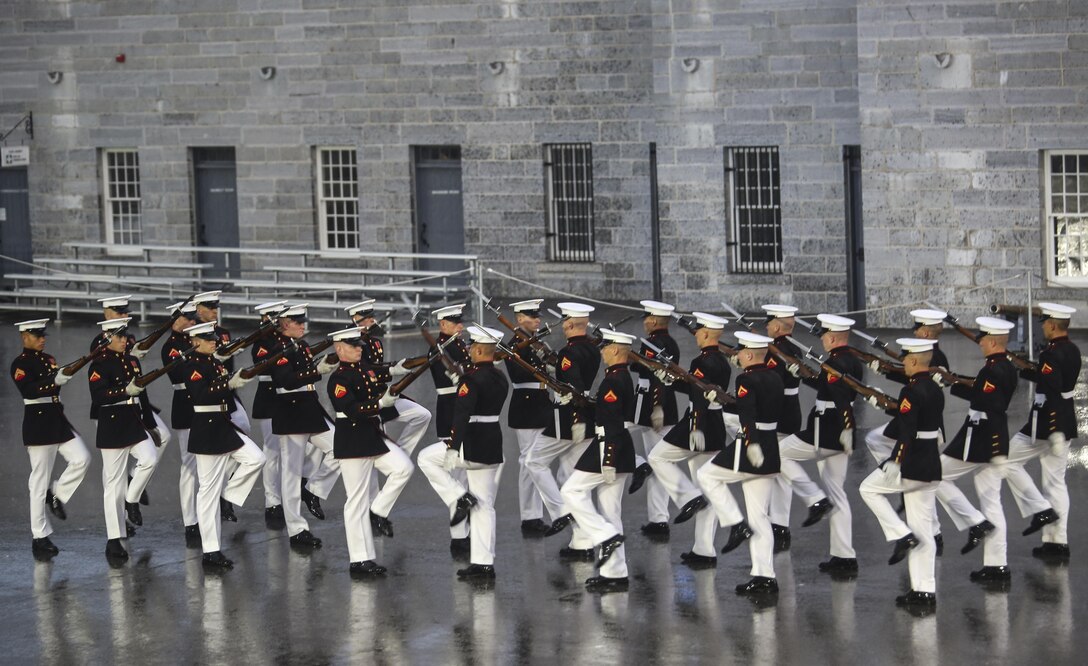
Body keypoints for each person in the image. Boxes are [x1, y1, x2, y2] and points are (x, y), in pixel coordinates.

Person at [418, 325, 510, 581]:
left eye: (471, 346)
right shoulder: (500, 377)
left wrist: (452, 447)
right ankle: (484, 564)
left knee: (425, 458)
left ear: (479, 349)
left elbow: (461, 415)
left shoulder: (471, 380)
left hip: (471, 445)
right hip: (492, 446)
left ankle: (458, 497)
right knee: (485, 506)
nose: (468, 349)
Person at [696, 331, 784, 596]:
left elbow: (747, 414)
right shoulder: (775, 376)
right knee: (760, 515)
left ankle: (735, 523)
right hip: (770, 443)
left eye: (740, 353)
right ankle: (765, 576)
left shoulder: (746, 378)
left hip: (750, 444)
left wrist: (751, 443)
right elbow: (754, 407)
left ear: (747, 355)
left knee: (707, 475)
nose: (737, 357)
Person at [859, 338, 944, 611]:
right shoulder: (934, 388)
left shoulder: (911, 390)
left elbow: (907, 431)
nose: (903, 363)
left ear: (915, 361)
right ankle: (923, 592)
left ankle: (899, 533)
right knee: (924, 531)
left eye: (906, 359)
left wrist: (895, 461)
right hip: (931, 463)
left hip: (912, 463)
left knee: (868, 489)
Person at [327, 326, 415, 577]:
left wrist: (405, 370)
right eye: (353, 345)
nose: (359, 348)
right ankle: (359, 560)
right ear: (339, 348)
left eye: (359, 345)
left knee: (403, 468)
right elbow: (352, 409)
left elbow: (382, 373)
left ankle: (378, 512)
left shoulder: (363, 368)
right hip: (352, 439)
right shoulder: (338, 379)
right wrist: (379, 403)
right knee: (355, 500)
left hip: (372, 435)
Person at [776, 313, 860, 575]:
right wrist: (802, 373)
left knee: (777, 453)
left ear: (832, 337)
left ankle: (814, 498)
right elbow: (825, 385)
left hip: (826, 429)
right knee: (838, 493)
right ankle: (844, 556)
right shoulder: (849, 360)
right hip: (837, 430)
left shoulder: (835, 363)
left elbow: (840, 396)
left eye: (824, 336)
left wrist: (847, 427)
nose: (822, 340)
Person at [647, 312, 732, 568]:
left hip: (698, 423)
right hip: (715, 425)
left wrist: (695, 427)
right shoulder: (723, 362)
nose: (696, 336)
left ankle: (687, 497)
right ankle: (704, 550)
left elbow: (698, 399)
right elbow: (698, 388)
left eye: (698, 332)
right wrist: (671, 380)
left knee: (657, 457)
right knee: (707, 489)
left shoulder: (702, 361)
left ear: (705, 334)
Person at [181, 321, 266, 570]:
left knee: (256, 458)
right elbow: (201, 395)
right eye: (208, 339)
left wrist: (233, 380)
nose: (213, 341)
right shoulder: (192, 367)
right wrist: (228, 383)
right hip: (206, 427)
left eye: (213, 338)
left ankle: (229, 495)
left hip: (222, 423)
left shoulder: (214, 362)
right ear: (195, 342)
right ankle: (211, 551)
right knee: (207, 491)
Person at [561, 329, 638, 592]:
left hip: (609, 447)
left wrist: (608, 459)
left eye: (605, 348)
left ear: (616, 350)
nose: (601, 351)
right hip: (618, 446)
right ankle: (615, 572)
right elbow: (607, 413)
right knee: (610, 510)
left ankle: (605, 537)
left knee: (570, 490)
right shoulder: (621, 378)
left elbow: (613, 423)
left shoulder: (614, 381)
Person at [1000, 302, 1077, 561]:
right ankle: (1057, 542)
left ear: (1053, 325)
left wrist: (1053, 429)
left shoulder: (1051, 354)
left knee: (1007, 461)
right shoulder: (1072, 349)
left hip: (1046, 424)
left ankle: (1040, 508)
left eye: (1044, 322)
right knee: (1055, 482)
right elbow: (1055, 382)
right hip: (1064, 421)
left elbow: (1051, 389)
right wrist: (1025, 368)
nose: (1042, 326)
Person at [10, 319, 91, 558]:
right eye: (37, 336)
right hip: (37, 422)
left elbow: (54, 388)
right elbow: (29, 391)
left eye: (43, 335)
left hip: (56, 418)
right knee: (39, 480)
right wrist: (54, 380)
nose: (42, 339)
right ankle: (40, 536)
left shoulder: (49, 359)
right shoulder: (20, 364)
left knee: (82, 458)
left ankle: (56, 493)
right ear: (25, 337)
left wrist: (61, 376)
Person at [88, 317, 161, 564]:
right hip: (112, 424)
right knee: (113, 484)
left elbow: (143, 394)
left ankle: (132, 500)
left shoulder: (131, 360)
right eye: (119, 337)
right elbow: (99, 397)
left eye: (124, 336)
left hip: (134, 420)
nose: (124, 341)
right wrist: (123, 392)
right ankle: (114, 538)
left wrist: (151, 425)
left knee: (150, 459)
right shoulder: (98, 365)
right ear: (108, 338)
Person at [268, 303, 341, 549]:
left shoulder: (302, 345)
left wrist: (323, 366)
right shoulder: (277, 349)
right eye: (298, 322)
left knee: (341, 448)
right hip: (290, 410)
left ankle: (314, 490)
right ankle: (297, 530)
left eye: (303, 321)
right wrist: (316, 370)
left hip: (310, 407)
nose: (303, 325)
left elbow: (308, 373)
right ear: (285, 324)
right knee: (290, 474)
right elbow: (286, 381)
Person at [534, 303, 600, 560]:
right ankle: (582, 542)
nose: (562, 326)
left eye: (564, 322)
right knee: (572, 479)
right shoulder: (592, 349)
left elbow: (575, 387)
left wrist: (574, 417)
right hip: (584, 419)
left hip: (568, 419)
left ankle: (560, 513)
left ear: (571, 324)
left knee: (532, 460)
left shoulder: (569, 352)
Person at [347, 300, 433, 459]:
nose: (371, 320)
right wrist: (392, 370)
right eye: (366, 317)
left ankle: (402, 454)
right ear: (354, 319)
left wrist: (404, 365)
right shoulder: (348, 344)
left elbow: (377, 368)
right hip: (365, 399)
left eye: (371, 316)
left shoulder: (375, 342)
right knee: (373, 452)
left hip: (381, 393)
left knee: (422, 415)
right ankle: (397, 460)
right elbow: (364, 371)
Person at [500, 298, 553, 537]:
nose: (538, 320)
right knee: (528, 461)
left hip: (543, 403)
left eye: (537, 316)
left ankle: (541, 511)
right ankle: (530, 516)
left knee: (539, 461)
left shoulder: (536, 343)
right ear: (520, 319)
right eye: (532, 316)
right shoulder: (514, 346)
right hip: (527, 405)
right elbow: (520, 374)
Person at [629, 300, 681, 539]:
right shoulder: (671, 342)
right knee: (659, 461)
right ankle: (659, 519)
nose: (645, 323)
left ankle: (637, 463)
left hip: (649, 402)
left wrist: (656, 406)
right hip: (666, 403)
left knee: (610, 431)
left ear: (651, 321)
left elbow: (653, 373)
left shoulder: (653, 343)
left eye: (646, 319)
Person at [426, 304, 474, 556]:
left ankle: (466, 531)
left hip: (462, 410)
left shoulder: (458, 345)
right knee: (454, 475)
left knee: (464, 474)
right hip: (450, 410)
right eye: (456, 323)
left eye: (460, 322)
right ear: (443, 324)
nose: (461, 326)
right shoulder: (439, 349)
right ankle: (459, 536)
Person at [161, 300, 205, 546]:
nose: (191, 322)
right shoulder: (171, 347)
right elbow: (179, 373)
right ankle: (190, 520)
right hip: (185, 405)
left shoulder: (192, 340)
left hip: (202, 404)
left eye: (192, 318)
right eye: (187, 319)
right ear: (174, 321)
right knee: (190, 465)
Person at [763, 304, 804, 553]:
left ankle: (777, 523)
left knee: (776, 467)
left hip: (778, 410)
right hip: (793, 408)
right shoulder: (794, 348)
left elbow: (770, 382)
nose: (767, 327)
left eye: (769, 323)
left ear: (777, 326)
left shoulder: (775, 351)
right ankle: (780, 523)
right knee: (780, 472)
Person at [247, 300, 290, 530]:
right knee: (272, 451)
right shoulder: (261, 343)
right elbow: (264, 366)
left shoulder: (286, 340)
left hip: (287, 399)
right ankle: (272, 502)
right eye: (272, 318)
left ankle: (291, 494)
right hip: (268, 399)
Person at [193, 290, 251, 435]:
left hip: (228, 388)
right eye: (210, 308)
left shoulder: (223, 332)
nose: (215, 311)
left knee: (243, 427)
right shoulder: (193, 336)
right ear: (199, 311)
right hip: (208, 390)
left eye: (216, 307)